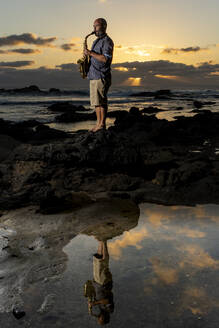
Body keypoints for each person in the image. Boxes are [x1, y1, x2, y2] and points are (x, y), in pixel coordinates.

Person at [84, 18, 114, 132]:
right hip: (93, 75)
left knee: (102, 101)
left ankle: (102, 124)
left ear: (104, 26)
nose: (94, 29)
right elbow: (94, 56)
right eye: (93, 26)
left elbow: (105, 59)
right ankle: (98, 124)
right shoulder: (95, 41)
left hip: (101, 75)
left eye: (96, 26)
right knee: (96, 102)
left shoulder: (107, 41)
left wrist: (90, 53)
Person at [84, 240, 114, 325]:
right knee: (104, 262)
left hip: (98, 284)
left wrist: (91, 302)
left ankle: (100, 240)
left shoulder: (101, 310)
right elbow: (106, 300)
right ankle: (104, 241)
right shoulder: (109, 310)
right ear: (104, 319)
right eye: (100, 319)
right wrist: (94, 303)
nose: (98, 318)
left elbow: (98, 299)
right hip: (104, 284)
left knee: (97, 260)